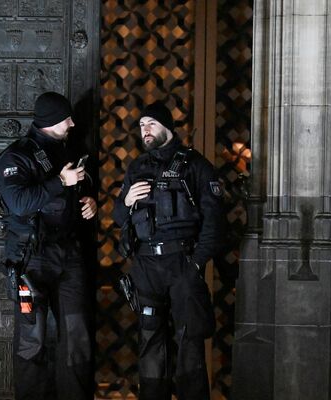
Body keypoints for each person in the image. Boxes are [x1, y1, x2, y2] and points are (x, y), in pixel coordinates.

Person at [112, 101, 224, 400]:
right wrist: (126, 202)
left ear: (166, 126)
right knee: (150, 344)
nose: (144, 130)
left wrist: (195, 265)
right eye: (141, 125)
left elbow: (214, 224)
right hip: (147, 266)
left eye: (151, 123)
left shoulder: (196, 166)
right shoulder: (138, 167)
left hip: (182, 263)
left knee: (189, 345)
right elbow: (118, 219)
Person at [0, 92, 97, 400]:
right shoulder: (16, 157)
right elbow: (20, 203)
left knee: (77, 338)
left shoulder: (68, 151)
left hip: (69, 257)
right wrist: (59, 183)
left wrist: (89, 201)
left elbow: (76, 192)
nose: (73, 123)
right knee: (32, 340)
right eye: (67, 118)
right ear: (52, 121)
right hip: (31, 260)